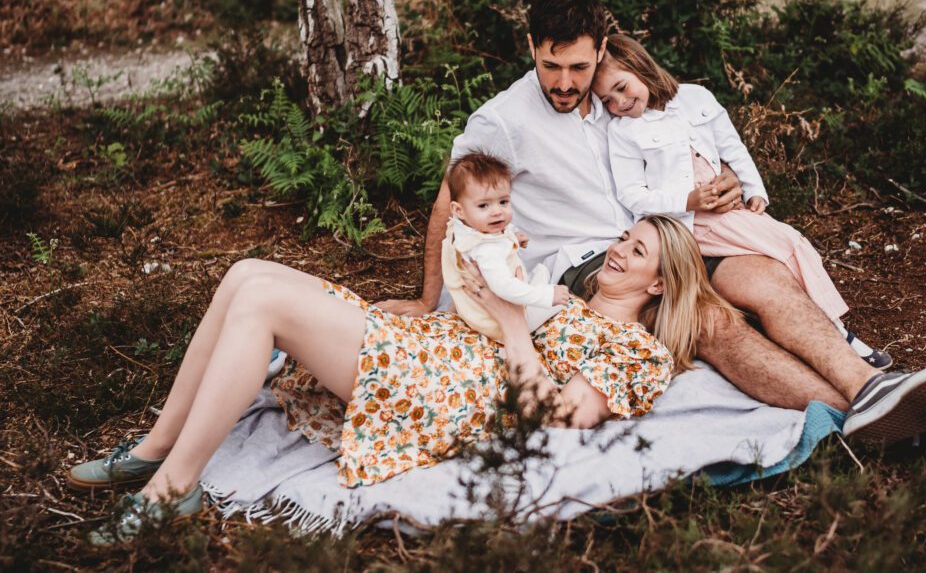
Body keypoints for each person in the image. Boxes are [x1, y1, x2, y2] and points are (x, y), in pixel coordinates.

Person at [376, 0, 926, 448]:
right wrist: (430, 301)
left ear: (602, 51)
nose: (564, 83)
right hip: (584, 264)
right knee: (707, 320)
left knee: (764, 275)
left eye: (578, 68)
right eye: (551, 66)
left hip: (667, 234)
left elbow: (688, 132)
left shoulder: (617, 98)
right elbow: (447, 202)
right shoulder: (502, 119)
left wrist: (725, 179)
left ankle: (875, 389)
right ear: (532, 47)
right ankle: (876, 421)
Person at [68, 215, 727, 544]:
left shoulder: (635, 352)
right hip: (432, 345)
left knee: (264, 305)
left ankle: (173, 489)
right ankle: (156, 449)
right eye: (624, 237)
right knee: (245, 272)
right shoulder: (568, 299)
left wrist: (512, 321)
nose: (617, 250)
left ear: (661, 282)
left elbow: (559, 414)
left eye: (636, 251)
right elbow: (492, 301)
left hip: (441, 388)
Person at [593, 33, 891, 369]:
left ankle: (826, 332)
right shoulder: (623, 131)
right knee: (789, 244)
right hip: (689, 223)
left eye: (621, 87)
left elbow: (733, 148)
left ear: (640, 66)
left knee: (788, 248)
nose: (617, 103)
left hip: (727, 211)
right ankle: (839, 335)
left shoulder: (696, 98)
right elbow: (632, 195)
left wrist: (755, 192)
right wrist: (687, 200)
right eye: (606, 100)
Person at [441, 151, 570, 342]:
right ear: (458, 210)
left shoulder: (467, 230)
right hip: (499, 323)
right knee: (563, 302)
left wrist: (512, 239)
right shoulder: (485, 250)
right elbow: (503, 287)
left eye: (503, 202)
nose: (497, 212)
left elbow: (493, 244)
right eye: (484, 206)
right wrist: (546, 296)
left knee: (541, 272)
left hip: (482, 312)